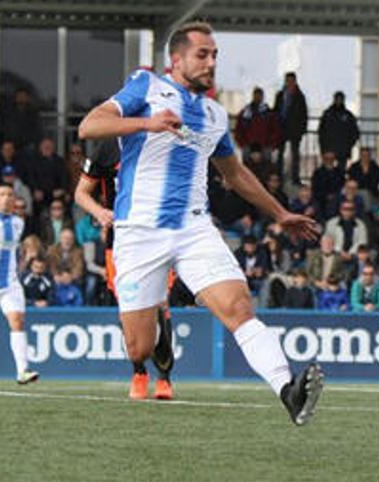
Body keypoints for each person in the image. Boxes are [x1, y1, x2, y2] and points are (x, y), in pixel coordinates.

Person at [78, 22, 323, 424]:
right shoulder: (145, 87)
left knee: (239, 308)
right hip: (138, 233)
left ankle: (288, 390)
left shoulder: (213, 114)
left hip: (193, 230)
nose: (211, 63)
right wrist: (146, 124)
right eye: (202, 55)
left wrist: (280, 213)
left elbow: (236, 174)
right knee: (139, 348)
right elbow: (89, 126)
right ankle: (157, 316)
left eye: (215, 56)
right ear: (176, 60)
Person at [75, 137, 178, 400]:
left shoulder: (162, 142)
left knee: (159, 305)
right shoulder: (106, 146)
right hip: (119, 243)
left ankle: (164, 377)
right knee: (129, 308)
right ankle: (139, 372)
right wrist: (99, 212)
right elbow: (81, 193)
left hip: (158, 238)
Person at [0, 183, 39, 386]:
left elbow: (12, 253)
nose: (6, 198)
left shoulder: (18, 223)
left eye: (10, 195)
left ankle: (23, 370)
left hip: (11, 284)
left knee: (18, 321)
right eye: (2, 194)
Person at [274, 72, 308, 185]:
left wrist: (302, 129)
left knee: (295, 155)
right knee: (280, 154)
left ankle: (295, 177)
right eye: (287, 80)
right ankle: (279, 176)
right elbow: (276, 111)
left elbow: (304, 114)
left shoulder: (299, 96)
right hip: (281, 129)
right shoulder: (280, 95)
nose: (289, 83)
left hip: (295, 130)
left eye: (291, 81)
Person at [318, 91, 360, 171]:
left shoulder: (348, 116)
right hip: (329, 149)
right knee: (327, 172)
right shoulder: (328, 115)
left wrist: (349, 145)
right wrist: (323, 147)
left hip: (342, 150)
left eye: (340, 99)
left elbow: (355, 132)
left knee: (340, 173)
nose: (339, 101)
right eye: (337, 99)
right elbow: (321, 132)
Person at [234, 87, 280, 158]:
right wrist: (242, 144)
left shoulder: (268, 113)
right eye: (256, 95)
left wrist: (271, 145)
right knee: (246, 166)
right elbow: (239, 129)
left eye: (259, 95)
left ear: (262, 97)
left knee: (266, 166)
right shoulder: (245, 112)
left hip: (265, 145)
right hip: (248, 145)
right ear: (253, 96)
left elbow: (275, 130)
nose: (257, 98)